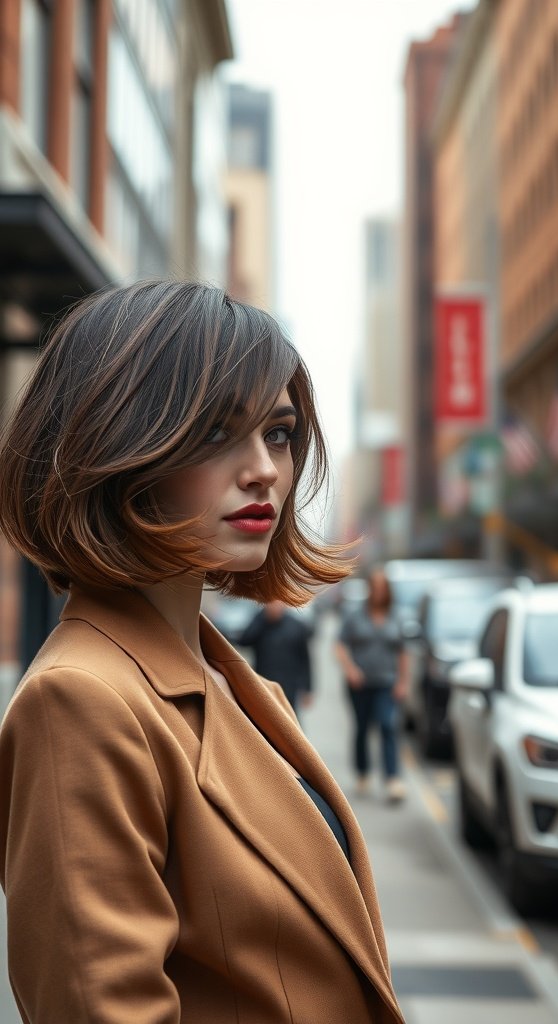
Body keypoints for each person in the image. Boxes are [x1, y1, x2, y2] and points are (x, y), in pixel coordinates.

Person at [0, 281, 405, 1024]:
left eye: (277, 434)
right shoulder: (81, 701)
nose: (264, 470)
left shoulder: (231, 681)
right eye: (216, 433)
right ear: (117, 447)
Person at [335, 567, 409, 804]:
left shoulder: (397, 616)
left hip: (387, 682)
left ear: (387, 591)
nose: (378, 592)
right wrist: (350, 669)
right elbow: (340, 645)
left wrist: (403, 681)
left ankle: (392, 779)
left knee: (387, 726)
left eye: (382, 588)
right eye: (374, 587)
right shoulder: (355, 615)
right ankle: (363, 772)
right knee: (362, 727)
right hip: (360, 684)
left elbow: (403, 652)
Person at [237, 599, 314, 719]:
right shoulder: (261, 622)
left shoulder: (296, 626)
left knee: (288, 721)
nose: (275, 607)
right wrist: (262, 618)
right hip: (263, 684)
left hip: (288, 687)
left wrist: (307, 689)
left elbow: (305, 660)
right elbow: (244, 641)